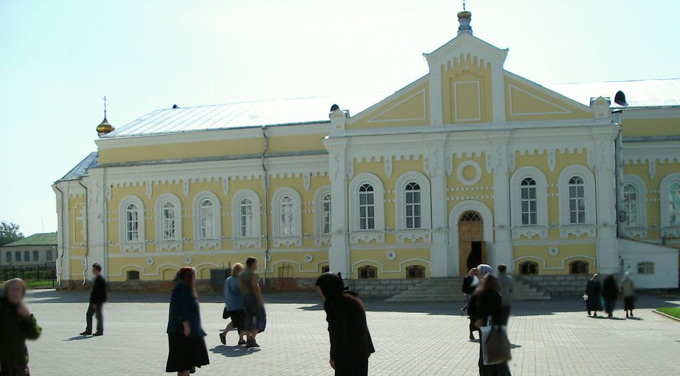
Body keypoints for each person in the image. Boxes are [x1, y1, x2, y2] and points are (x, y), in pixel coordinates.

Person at [316, 273, 375, 376]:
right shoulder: (349, 298)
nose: (319, 292)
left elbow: (339, 333)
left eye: (320, 288)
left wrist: (334, 356)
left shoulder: (339, 303)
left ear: (327, 287)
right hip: (360, 352)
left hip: (348, 355)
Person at [166, 267, 209, 375]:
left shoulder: (185, 288)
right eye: (194, 275)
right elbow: (180, 309)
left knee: (187, 365)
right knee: (184, 365)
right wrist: (186, 325)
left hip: (187, 331)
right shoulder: (181, 288)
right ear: (188, 277)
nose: (196, 278)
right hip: (181, 332)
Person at [0, 278, 42, 376]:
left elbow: (34, 334)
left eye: (18, 290)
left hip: (19, 365)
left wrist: (28, 318)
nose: (15, 293)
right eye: (12, 289)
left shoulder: (20, 310)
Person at [474, 275, 512, 376]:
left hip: (490, 331)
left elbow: (487, 312)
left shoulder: (487, 295)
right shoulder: (496, 295)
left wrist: (482, 320)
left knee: (489, 360)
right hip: (496, 330)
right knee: (498, 360)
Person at [239, 257, 267, 348]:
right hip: (253, 297)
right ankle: (252, 338)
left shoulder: (241, 274)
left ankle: (247, 338)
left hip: (245, 297)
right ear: (252, 264)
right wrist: (258, 299)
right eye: (256, 263)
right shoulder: (253, 274)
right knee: (261, 316)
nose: (257, 265)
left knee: (248, 317)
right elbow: (255, 286)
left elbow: (239, 287)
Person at [220, 263, 246, 346]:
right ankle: (240, 339)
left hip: (230, 305)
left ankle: (224, 334)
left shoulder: (228, 279)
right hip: (238, 304)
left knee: (235, 322)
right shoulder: (238, 280)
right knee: (241, 322)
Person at [80, 263, 107, 336]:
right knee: (89, 315)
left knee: (97, 316)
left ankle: (99, 331)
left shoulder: (100, 279)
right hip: (94, 301)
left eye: (93, 269)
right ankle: (89, 330)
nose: (92, 270)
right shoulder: (96, 278)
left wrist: (95, 302)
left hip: (97, 301)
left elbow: (99, 292)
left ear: (97, 270)